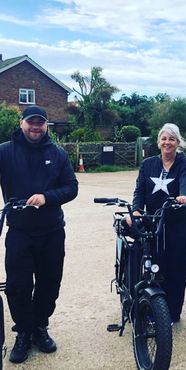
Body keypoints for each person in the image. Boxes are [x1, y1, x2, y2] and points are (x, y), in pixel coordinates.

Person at [0, 105, 78, 363]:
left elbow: (71, 187)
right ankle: (23, 331)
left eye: (40, 123)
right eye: (31, 122)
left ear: (46, 125)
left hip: (52, 232)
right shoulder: (5, 152)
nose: (35, 127)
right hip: (20, 233)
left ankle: (39, 327)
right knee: (17, 286)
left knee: (49, 283)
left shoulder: (57, 153)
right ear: (22, 122)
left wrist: (47, 197)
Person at [126, 123, 186, 323]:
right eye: (164, 138)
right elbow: (139, 190)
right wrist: (136, 210)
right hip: (152, 221)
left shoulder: (185, 164)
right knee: (152, 264)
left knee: (177, 266)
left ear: (178, 142)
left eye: (172, 139)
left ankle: (172, 313)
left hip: (176, 222)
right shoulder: (148, 164)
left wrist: (184, 196)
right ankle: (150, 306)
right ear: (158, 142)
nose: (167, 142)